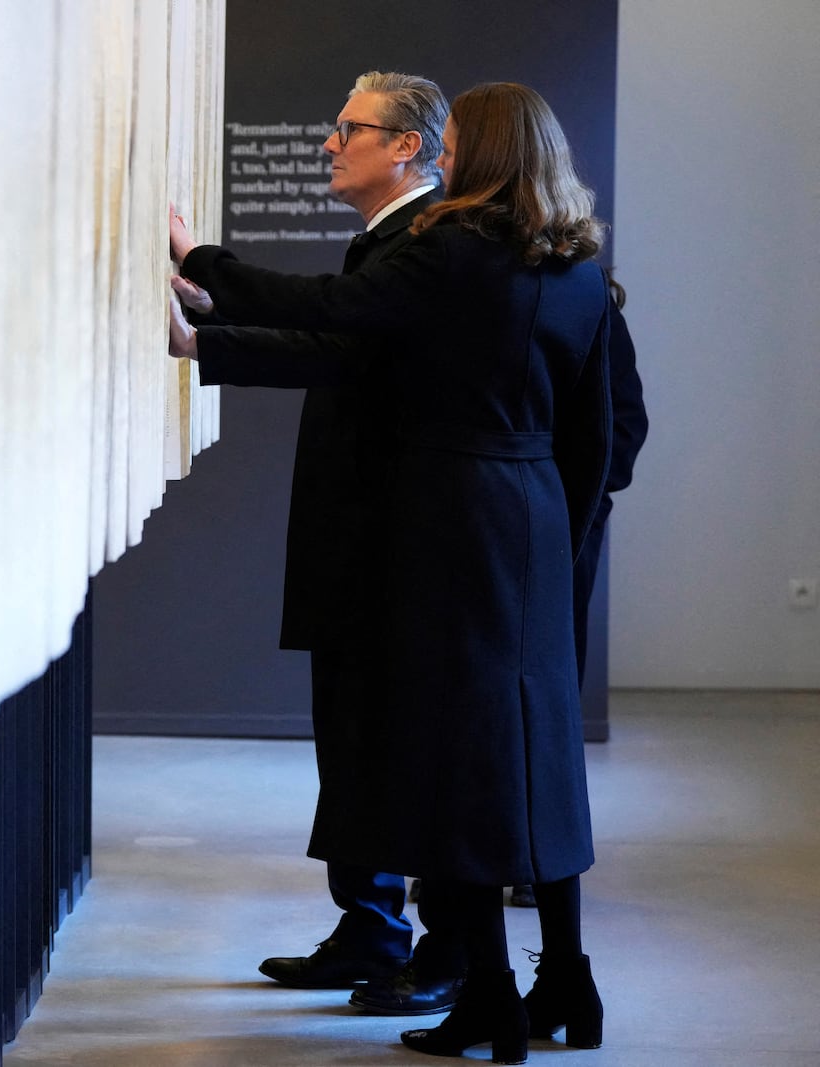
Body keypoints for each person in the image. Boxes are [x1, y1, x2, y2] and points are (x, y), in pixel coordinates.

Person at [170, 83, 618, 1063]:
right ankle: (567, 983)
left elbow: (332, 313)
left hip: (449, 522)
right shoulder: (579, 265)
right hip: (535, 520)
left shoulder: (455, 254)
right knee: (539, 762)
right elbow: (600, 430)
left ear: (482, 152)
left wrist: (202, 262)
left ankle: (490, 997)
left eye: (452, 142)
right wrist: (562, 538)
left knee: (455, 762)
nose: (441, 157)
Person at [170, 71, 470, 1015]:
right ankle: (369, 928)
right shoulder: (390, 240)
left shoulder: (426, 243)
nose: (330, 144)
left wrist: (208, 266)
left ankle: (413, 941)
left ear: (407, 146)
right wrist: (205, 342)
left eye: (350, 128)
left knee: (385, 741)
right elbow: (340, 355)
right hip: (361, 540)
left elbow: (334, 326)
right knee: (351, 739)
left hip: (396, 545)